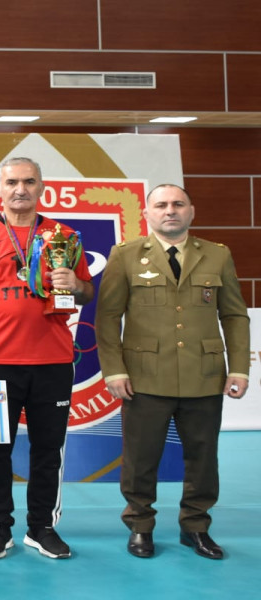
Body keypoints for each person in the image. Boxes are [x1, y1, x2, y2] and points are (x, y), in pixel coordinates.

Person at [0, 156, 93, 560]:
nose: (20, 189)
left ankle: (41, 527)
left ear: (42, 186)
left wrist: (75, 283)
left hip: (53, 361)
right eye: (12, 182)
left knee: (48, 448)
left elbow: (86, 294)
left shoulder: (64, 236)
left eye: (29, 181)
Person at [94, 184, 250, 560]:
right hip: (144, 376)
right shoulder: (126, 255)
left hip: (204, 374)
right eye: (161, 205)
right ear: (147, 213)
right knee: (140, 458)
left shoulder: (217, 255)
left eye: (178, 204)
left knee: (202, 456)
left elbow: (233, 314)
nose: (170, 211)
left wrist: (239, 368)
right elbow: (108, 317)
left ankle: (195, 527)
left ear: (191, 211)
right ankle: (140, 527)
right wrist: (113, 370)